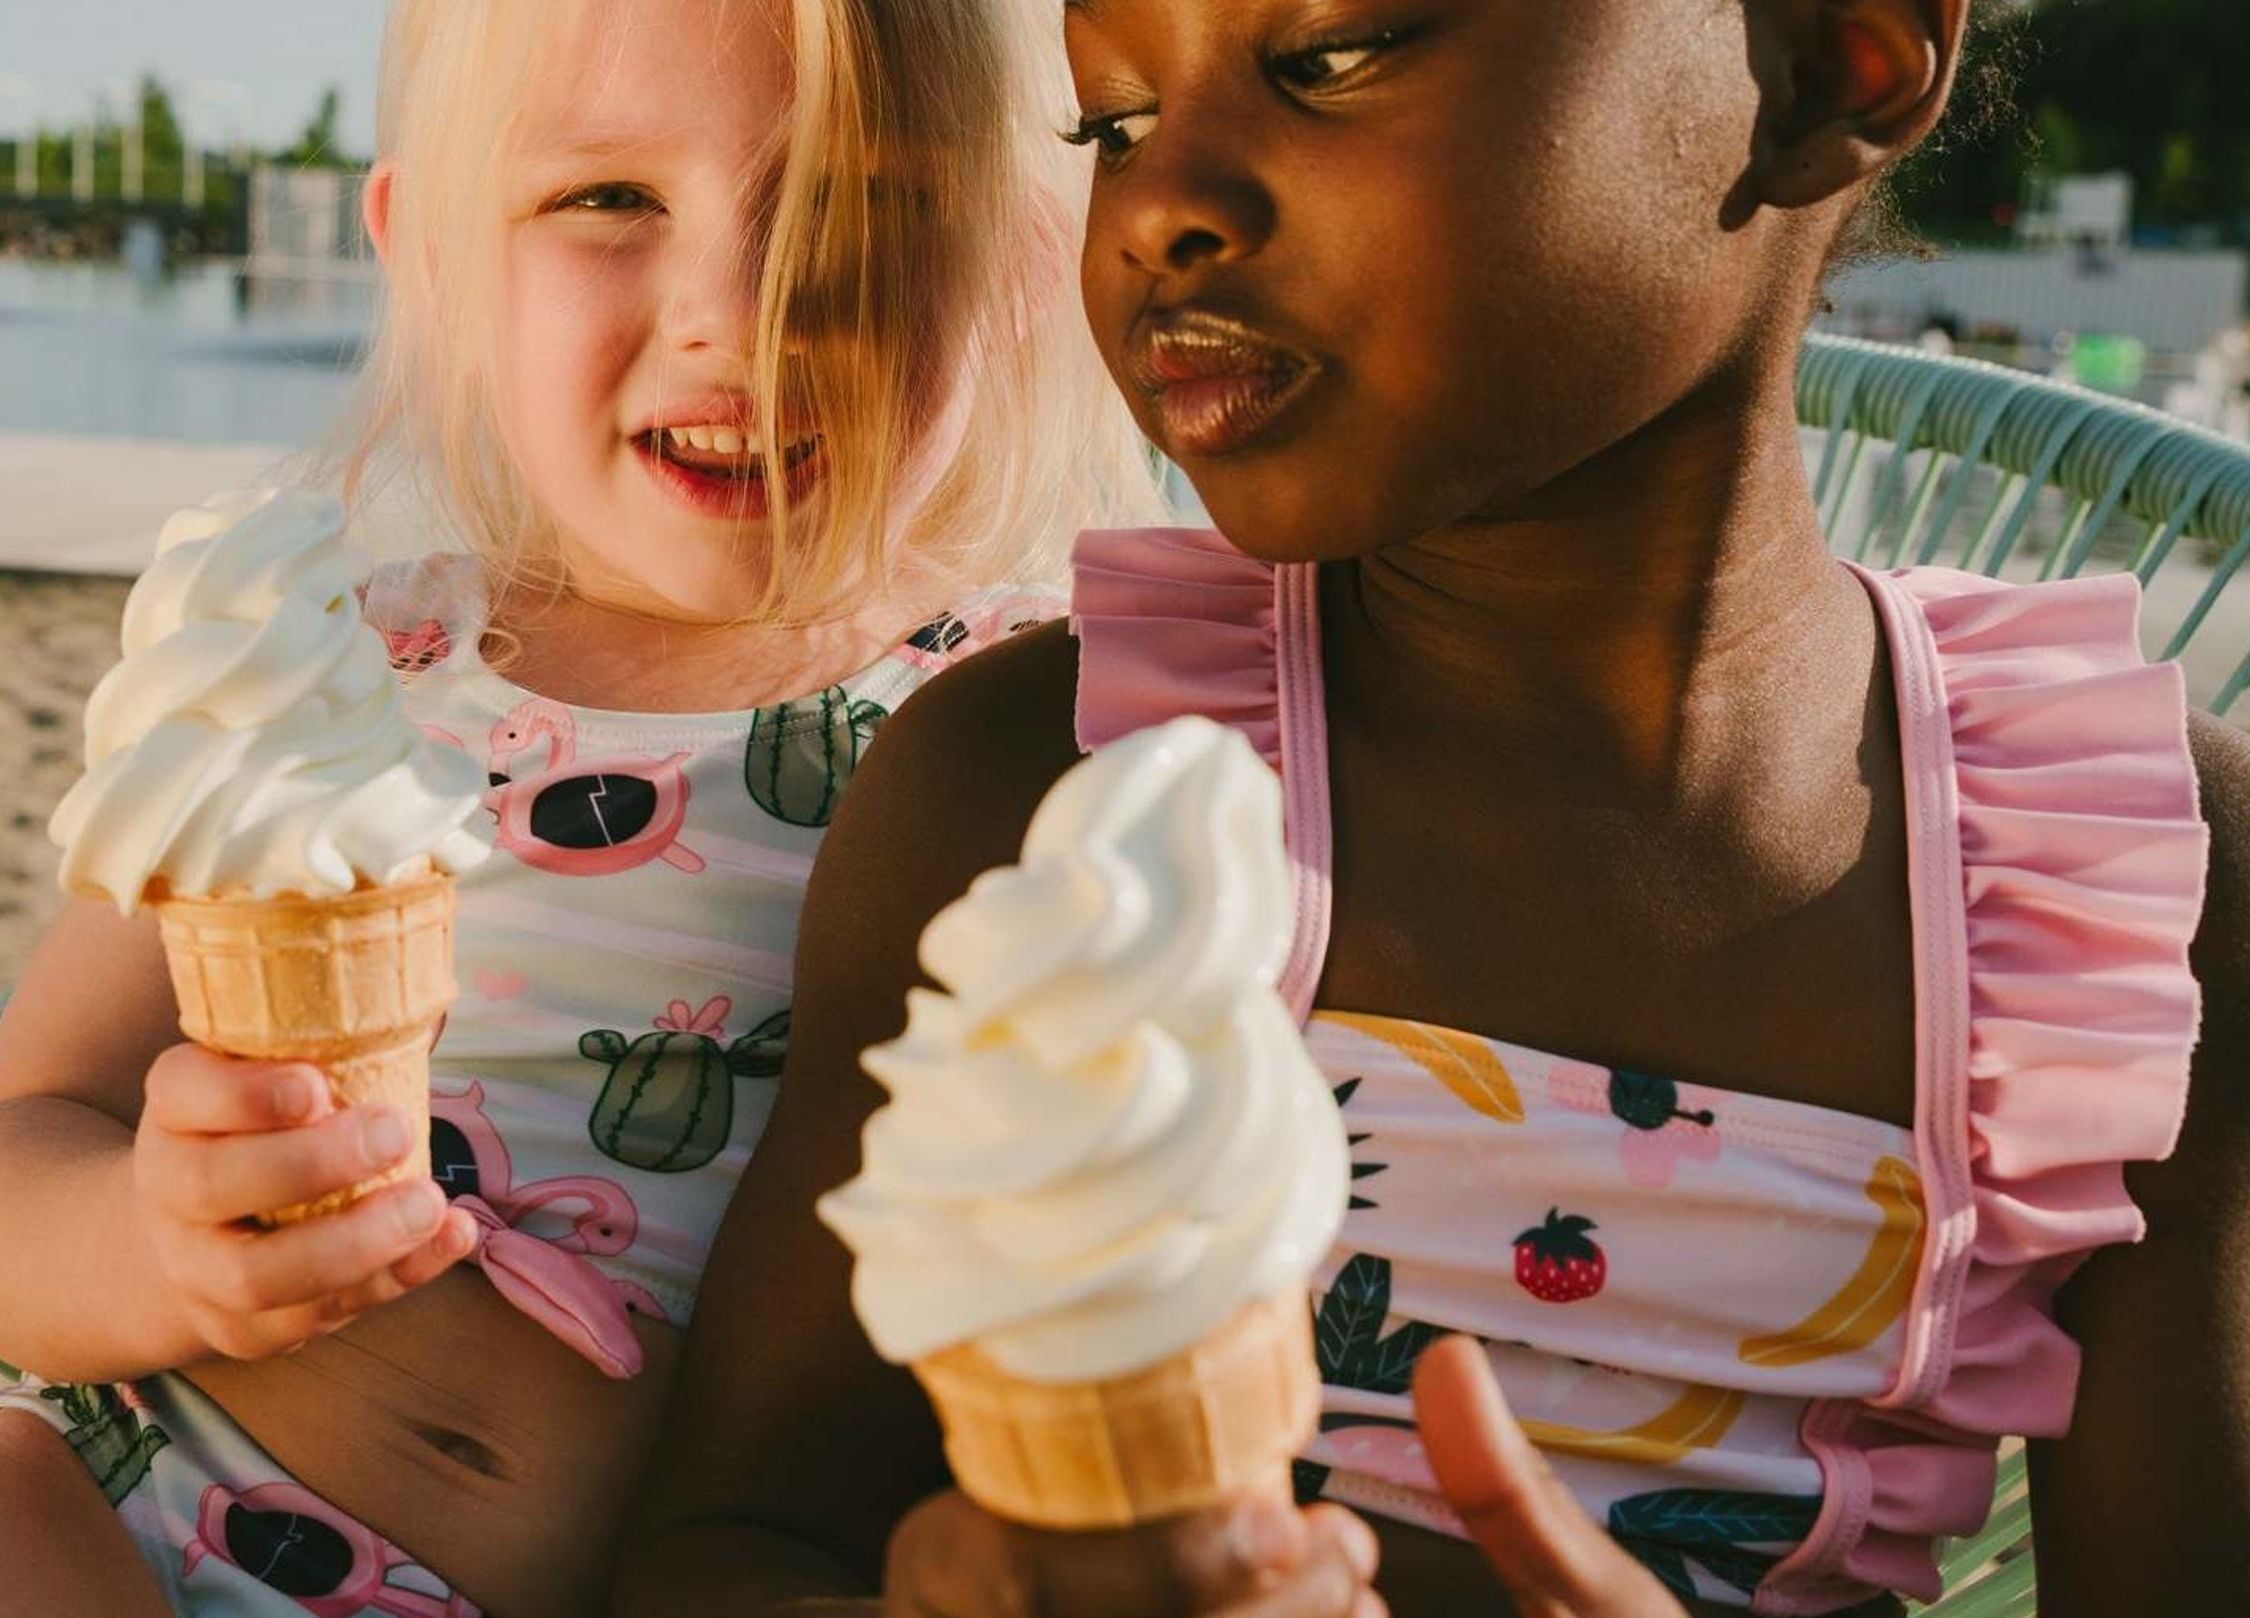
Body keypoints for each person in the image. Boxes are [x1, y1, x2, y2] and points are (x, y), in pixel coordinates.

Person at [615, 1, 2250, 1616]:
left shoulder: (2134, 886)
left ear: (1832, 60)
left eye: (1332, 56)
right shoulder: (1062, 797)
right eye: (1111, 123)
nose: (1161, 205)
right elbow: (729, 1542)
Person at [0, 0, 1153, 1613]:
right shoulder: (326, 669)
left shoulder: (1044, 727)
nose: (740, 309)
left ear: (1034, 258)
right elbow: (24, 1125)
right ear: (430, 259)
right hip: (107, 1498)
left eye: (872, 201)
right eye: (607, 199)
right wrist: (146, 1242)